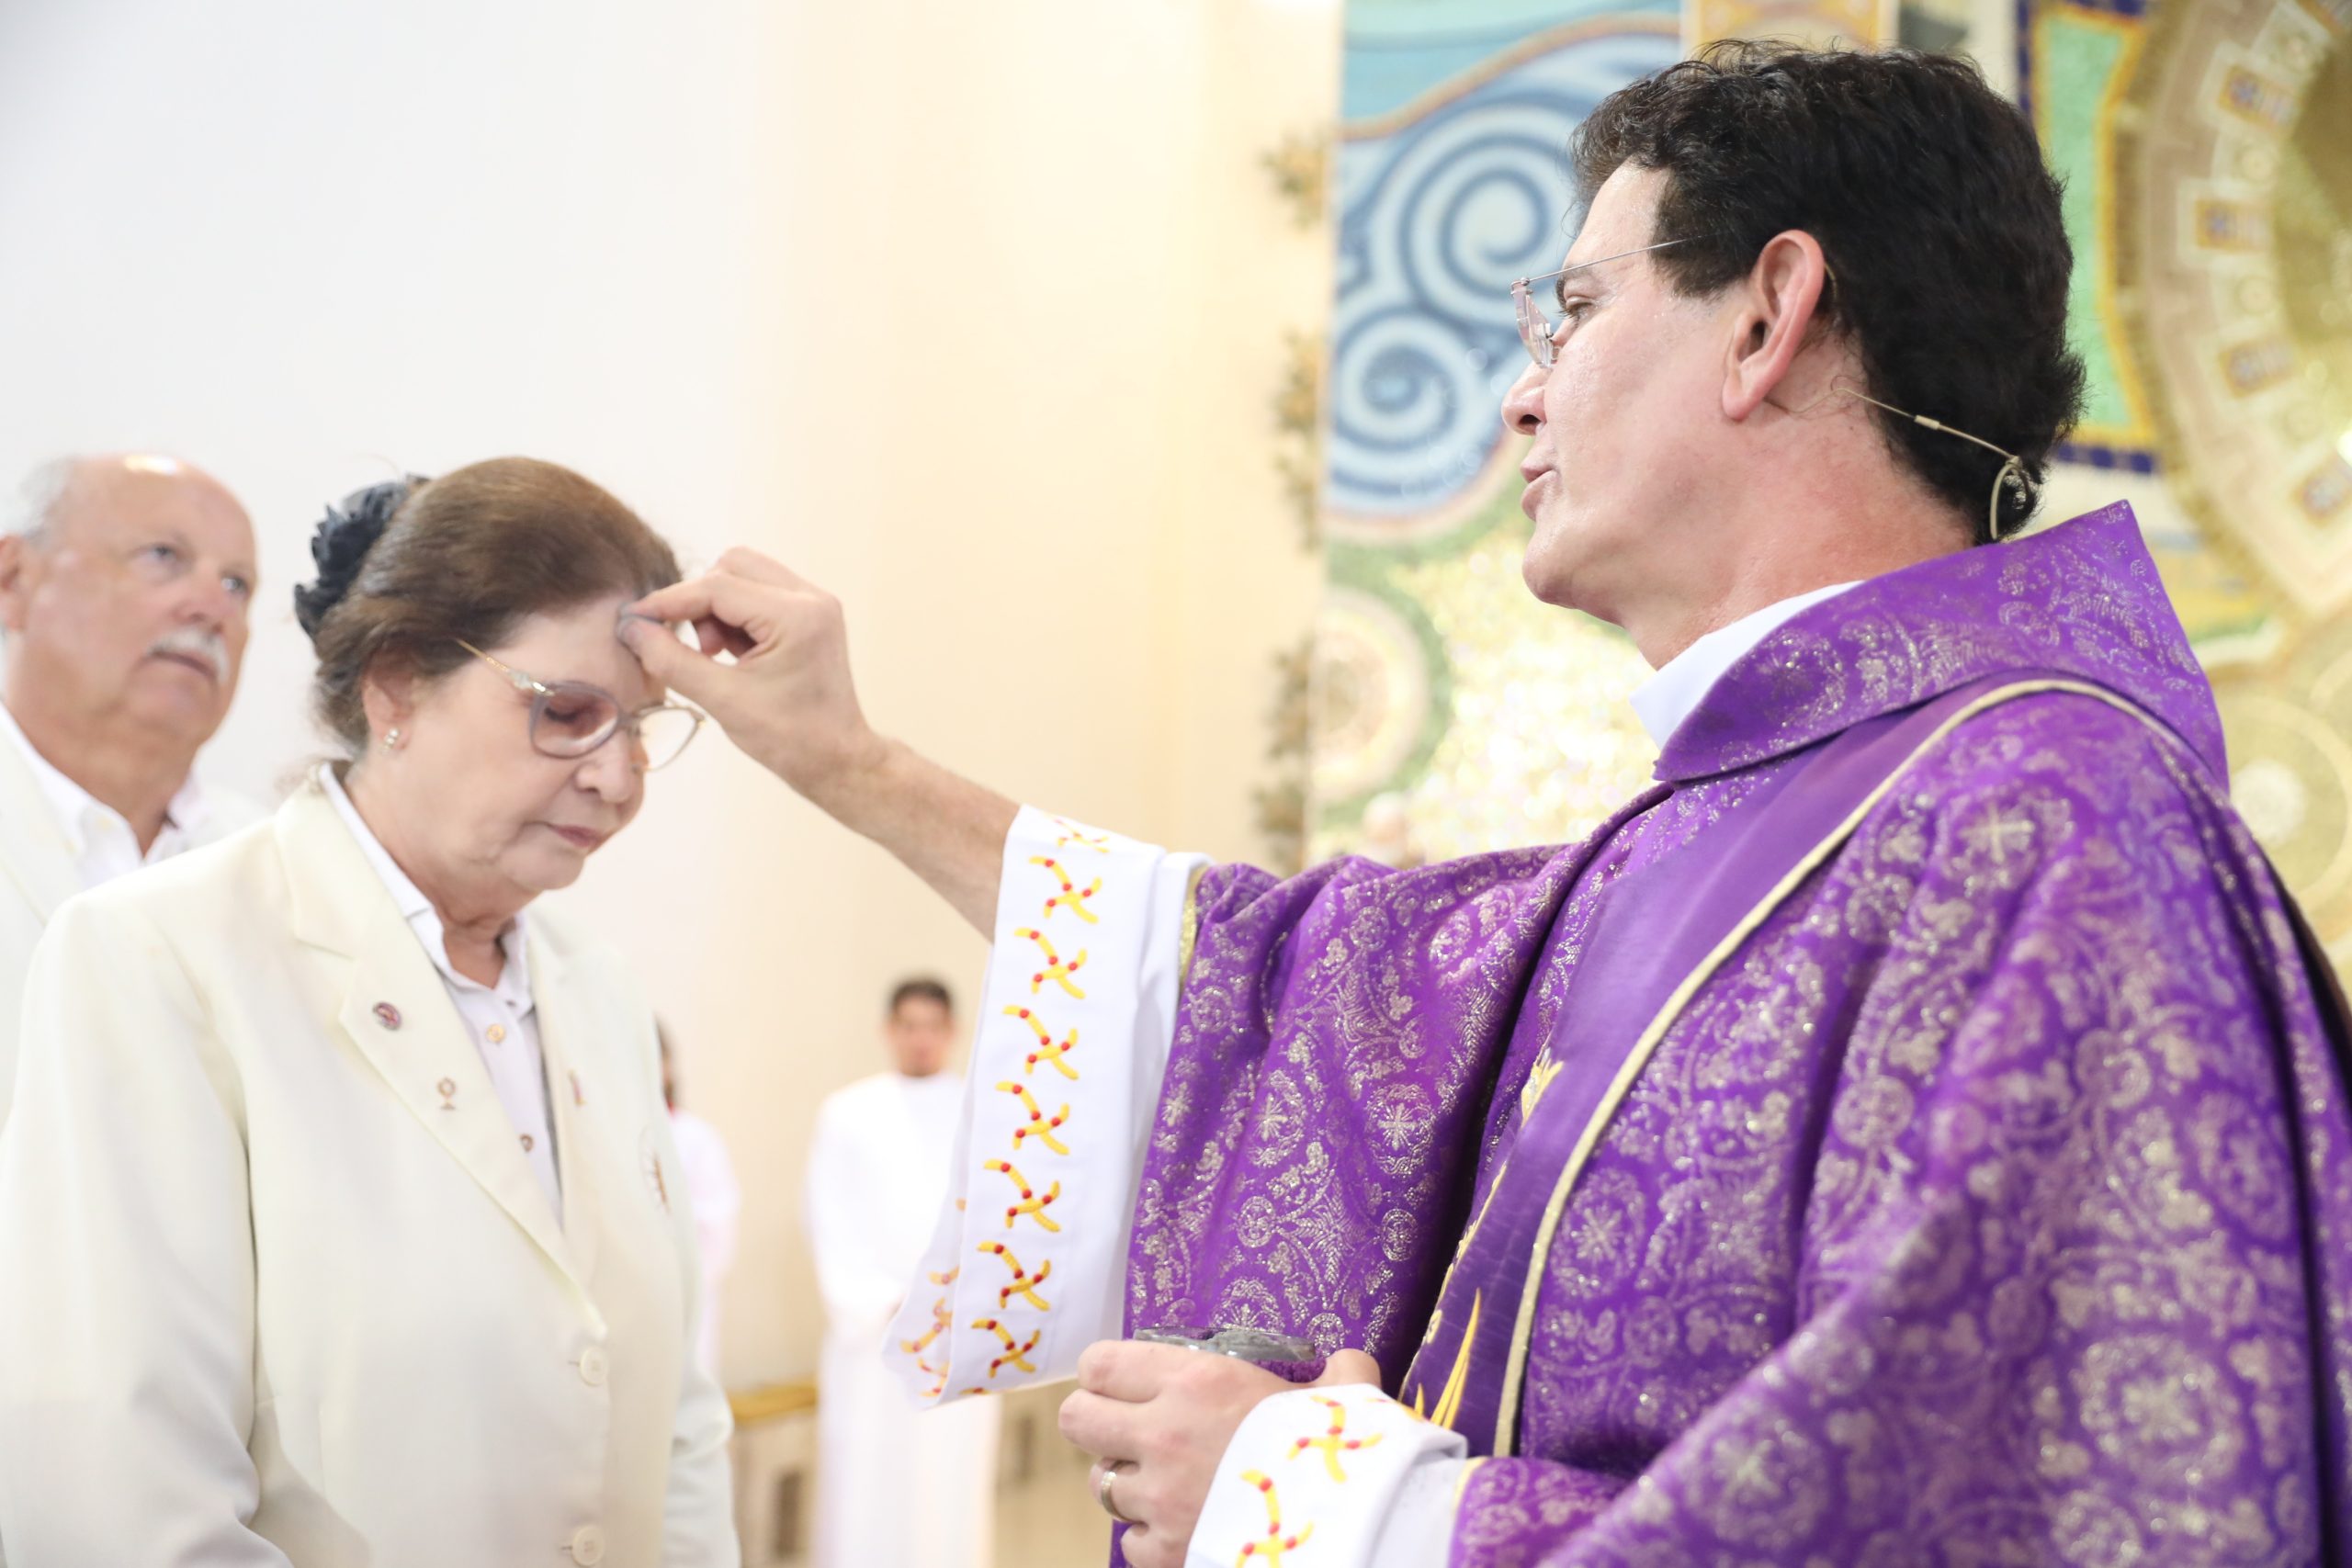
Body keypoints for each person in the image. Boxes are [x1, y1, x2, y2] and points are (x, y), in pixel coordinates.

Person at [627, 43, 2352, 1566]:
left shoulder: (2053, 824)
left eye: (1576, 311)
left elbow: (2026, 1511)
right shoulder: (1745, 813)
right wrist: (847, 760)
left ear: (1769, 316)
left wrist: (1317, 1501)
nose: (1524, 390)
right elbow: (1269, 977)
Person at [0, 458, 736, 1565]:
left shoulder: (596, 989)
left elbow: (675, 1417)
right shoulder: (163, 955)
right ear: (395, 688)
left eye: (639, 727)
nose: (618, 779)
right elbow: (127, 1492)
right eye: (568, 713)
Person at [0, 453, 261, 1111]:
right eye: (164, 556)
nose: (212, 607)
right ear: (14, 581)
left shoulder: (278, 865)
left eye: (237, 584)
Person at [802, 977, 1001, 1568]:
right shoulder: (846, 1112)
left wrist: (962, 1298)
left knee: (948, 1485)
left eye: (932, 1027)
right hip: (873, 1334)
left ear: (952, 1032)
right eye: (909, 1026)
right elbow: (827, 1216)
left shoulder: (983, 1112)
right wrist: (878, 1300)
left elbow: (996, 1217)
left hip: (955, 1334)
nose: (920, 1039)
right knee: (865, 1479)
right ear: (889, 1031)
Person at [661, 1021, 743, 1377]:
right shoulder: (595, 1139)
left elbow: (716, 1228)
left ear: (667, 1065)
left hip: (683, 1299)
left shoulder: (696, 1139)